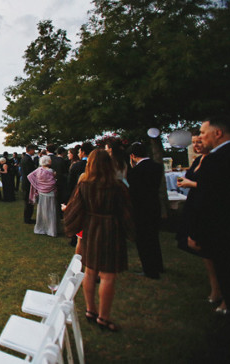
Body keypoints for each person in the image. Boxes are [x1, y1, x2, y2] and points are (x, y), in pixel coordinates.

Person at [64, 149, 134, 332]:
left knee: (90, 271)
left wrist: (71, 227)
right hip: (111, 230)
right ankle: (103, 316)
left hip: (91, 229)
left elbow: (73, 209)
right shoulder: (117, 186)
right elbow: (126, 212)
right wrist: (132, 232)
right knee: (108, 275)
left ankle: (90, 310)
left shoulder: (84, 185)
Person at [177, 129, 225, 312]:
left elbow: (217, 187)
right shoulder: (198, 161)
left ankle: (226, 297)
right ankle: (215, 289)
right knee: (205, 253)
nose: (197, 145)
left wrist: (191, 184)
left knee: (217, 252)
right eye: (194, 143)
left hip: (210, 208)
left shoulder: (215, 161)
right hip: (195, 205)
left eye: (200, 141)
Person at [195, 116, 230, 316]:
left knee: (228, 271)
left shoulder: (216, 159)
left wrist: (197, 233)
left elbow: (207, 199)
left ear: (218, 133)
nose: (201, 137)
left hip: (224, 229)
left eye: (203, 132)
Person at [127, 142, 165, 280]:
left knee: (143, 240)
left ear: (132, 156)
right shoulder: (157, 167)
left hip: (141, 208)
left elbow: (133, 191)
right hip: (154, 205)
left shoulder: (135, 171)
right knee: (154, 237)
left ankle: (149, 269)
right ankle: (158, 265)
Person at [27, 155, 58, 237]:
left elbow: (29, 176)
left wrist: (37, 185)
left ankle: (41, 228)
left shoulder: (38, 170)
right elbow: (53, 182)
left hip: (41, 192)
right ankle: (50, 230)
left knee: (41, 211)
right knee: (51, 211)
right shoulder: (51, 171)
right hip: (50, 193)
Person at [21, 145, 38, 223]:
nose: (34, 152)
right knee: (29, 201)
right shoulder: (27, 159)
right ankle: (27, 219)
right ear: (30, 150)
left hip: (26, 182)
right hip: (28, 183)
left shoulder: (25, 158)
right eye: (33, 150)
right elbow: (30, 172)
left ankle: (27, 218)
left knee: (28, 201)